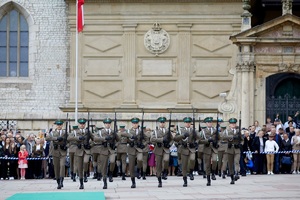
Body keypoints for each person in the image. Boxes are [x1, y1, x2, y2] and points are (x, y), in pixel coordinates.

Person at [121, 117, 150, 188]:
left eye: (136, 123)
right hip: (131, 149)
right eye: (134, 123)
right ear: (132, 124)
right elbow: (123, 137)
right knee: (131, 166)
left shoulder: (141, 131)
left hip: (139, 149)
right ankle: (133, 181)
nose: (135, 125)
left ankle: (138, 169)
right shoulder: (128, 131)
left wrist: (144, 144)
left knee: (140, 159)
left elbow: (147, 139)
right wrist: (129, 141)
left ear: (138, 124)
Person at [174, 117, 199, 187]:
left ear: (191, 123)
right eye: (186, 122)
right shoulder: (181, 130)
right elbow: (175, 138)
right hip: (184, 148)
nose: (188, 124)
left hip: (191, 148)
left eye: (189, 122)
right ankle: (185, 180)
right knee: (184, 165)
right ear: (184, 123)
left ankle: (191, 171)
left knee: (192, 159)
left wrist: (195, 143)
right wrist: (183, 135)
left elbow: (198, 138)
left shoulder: (194, 130)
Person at [67, 118, 91, 189]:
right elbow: (68, 138)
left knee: (86, 161)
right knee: (79, 167)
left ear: (85, 124)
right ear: (79, 124)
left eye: (83, 124)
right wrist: (78, 138)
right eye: (81, 124)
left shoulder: (88, 131)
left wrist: (90, 144)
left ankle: (86, 173)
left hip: (86, 150)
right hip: (78, 150)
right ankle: (81, 183)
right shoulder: (75, 132)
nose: (82, 125)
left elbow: (94, 138)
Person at [150, 117, 173, 187]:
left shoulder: (167, 131)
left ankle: (165, 171)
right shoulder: (155, 131)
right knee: (158, 165)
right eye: (161, 122)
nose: (162, 124)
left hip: (166, 149)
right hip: (158, 149)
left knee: (166, 160)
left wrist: (170, 144)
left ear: (165, 123)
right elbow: (152, 139)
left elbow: (172, 139)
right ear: (159, 123)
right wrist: (162, 140)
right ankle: (159, 180)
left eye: (163, 122)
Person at [46, 119, 68, 189]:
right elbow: (47, 138)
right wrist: (56, 138)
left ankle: (61, 180)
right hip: (55, 151)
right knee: (56, 167)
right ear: (56, 125)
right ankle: (58, 181)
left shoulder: (65, 133)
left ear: (62, 125)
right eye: (58, 125)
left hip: (63, 151)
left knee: (62, 165)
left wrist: (66, 146)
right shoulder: (52, 132)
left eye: (60, 125)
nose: (59, 126)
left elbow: (70, 140)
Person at [222, 118, 243, 184]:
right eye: (232, 124)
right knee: (230, 164)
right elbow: (223, 138)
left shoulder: (238, 131)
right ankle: (232, 177)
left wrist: (240, 144)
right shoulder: (226, 131)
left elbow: (242, 140)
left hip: (236, 149)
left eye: (234, 123)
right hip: (229, 148)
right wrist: (232, 137)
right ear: (229, 125)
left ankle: (236, 173)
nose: (233, 125)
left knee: (236, 161)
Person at [199, 117, 219, 186]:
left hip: (214, 148)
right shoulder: (203, 131)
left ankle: (213, 172)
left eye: (210, 122)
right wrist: (207, 141)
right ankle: (208, 179)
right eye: (208, 122)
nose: (209, 123)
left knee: (214, 160)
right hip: (206, 148)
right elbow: (199, 141)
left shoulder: (215, 130)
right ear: (206, 123)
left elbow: (219, 139)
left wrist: (217, 143)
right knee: (207, 164)